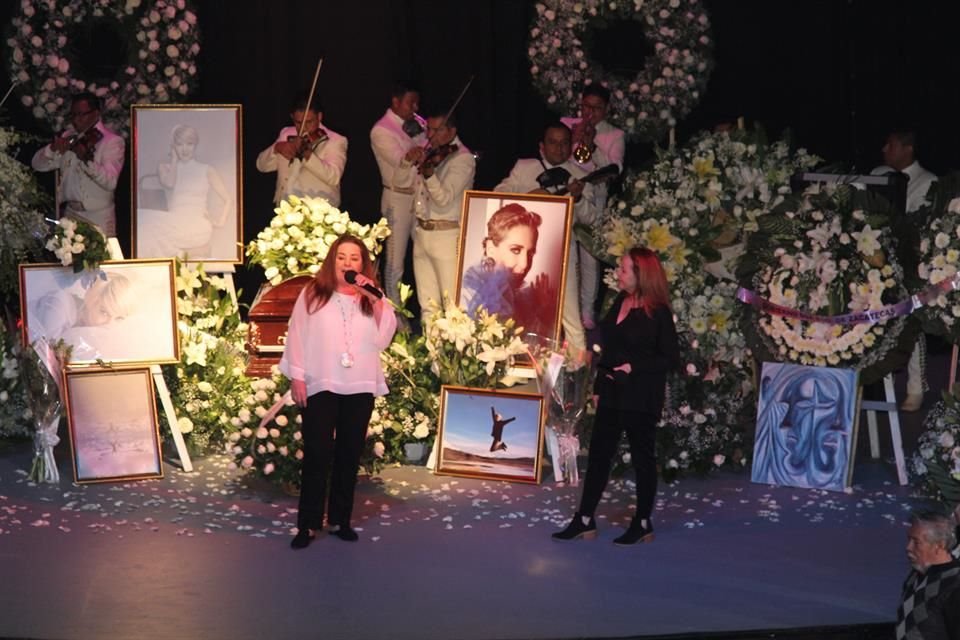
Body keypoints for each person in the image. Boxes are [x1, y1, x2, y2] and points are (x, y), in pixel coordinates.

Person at [553, 247, 680, 546]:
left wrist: (633, 367)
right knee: (598, 456)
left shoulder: (658, 312)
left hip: (640, 395)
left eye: (624, 270)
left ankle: (643, 522)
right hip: (611, 392)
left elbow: (670, 358)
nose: (618, 274)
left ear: (641, 275)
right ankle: (584, 518)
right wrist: (597, 388)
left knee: (642, 459)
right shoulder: (619, 301)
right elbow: (607, 349)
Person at [279, 234, 397, 548]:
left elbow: (384, 339)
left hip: (359, 386)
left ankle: (340, 519)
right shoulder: (314, 293)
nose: (347, 263)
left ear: (363, 264)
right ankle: (307, 524)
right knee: (317, 453)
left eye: (354, 258)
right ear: (333, 260)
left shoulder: (372, 298)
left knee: (348, 454)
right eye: (341, 256)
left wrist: (376, 300)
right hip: (321, 383)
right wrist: (298, 377)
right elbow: (297, 335)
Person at [494, 122, 603, 351]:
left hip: (561, 249)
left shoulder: (581, 176)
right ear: (542, 146)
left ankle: (577, 368)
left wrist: (580, 198)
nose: (559, 148)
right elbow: (499, 194)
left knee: (570, 313)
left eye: (564, 143)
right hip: (523, 251)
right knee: (514, 309)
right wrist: (530, 198)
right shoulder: (524, 167)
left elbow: (592, 218)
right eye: (553, 143)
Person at [871, 128, 937, 413]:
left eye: (891, 144)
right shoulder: (878, 175)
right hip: (877, 267)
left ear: (907, 148)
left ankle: (915, 387)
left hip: (912, 268)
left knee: (912, 325)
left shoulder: (928, 182)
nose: (885, 149)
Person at [392, 111, 475, 323]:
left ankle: (455, 355)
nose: (431, 135)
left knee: (452, 306)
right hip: (421, 233)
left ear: (452, 131)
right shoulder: (431, 153)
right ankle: (433, 353)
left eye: (437, 130)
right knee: (427, 305)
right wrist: (406, 162)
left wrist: (429, 175)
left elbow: (444, 198)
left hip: (446, 235)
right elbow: (400, 184)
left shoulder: (463, 158)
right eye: (429, 129)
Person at [562, 84, 625, 328]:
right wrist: (573, 140)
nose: (590, 112)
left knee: (589, 256)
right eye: (586, 106)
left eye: (597, 108)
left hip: (594, 198)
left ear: (606, 109)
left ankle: (587, 312)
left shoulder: (614, 135)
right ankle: (566, 305)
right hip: (569, 193)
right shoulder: (568, 125)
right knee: (566, 252)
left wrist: (592, 146)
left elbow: (614, 169)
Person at [31, 92, 125, 237]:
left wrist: (86, 161)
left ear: (96, 113)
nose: (76, 120)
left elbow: (110, 181)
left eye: (81, 114)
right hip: (70, 215)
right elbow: (37, 165)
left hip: (99, 216)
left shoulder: (112, 141)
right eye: (73, 115)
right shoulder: (69, 137)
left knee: (102, 258)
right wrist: (52, 149)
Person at [460, 203, 557, 338]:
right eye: (515, 250)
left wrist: (542, 312)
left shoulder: (516, 297)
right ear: (490, 249)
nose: (524, 264)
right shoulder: (471, 295)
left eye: (530, 253)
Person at [137, 124, 233, 259]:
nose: (185, 149)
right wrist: (174, 161)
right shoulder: (165, 167)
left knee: (147, 231)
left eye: (189, 144)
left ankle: (174, 256)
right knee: (140, 219)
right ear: (173, 146)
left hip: (197, 225)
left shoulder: (206, 169)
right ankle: (177, 256)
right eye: (179, 144)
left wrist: (220, 221)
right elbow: (170, 184)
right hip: (173, 222)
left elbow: (228, 199)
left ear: (195, 145)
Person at [370, 82, 426, 303]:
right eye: (410, 102)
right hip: (397, 198)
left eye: (416, 102)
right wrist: (414, 153)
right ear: (396, 102)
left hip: (420, 196)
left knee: (424, 255)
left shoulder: (417, 123)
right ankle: (394, 313)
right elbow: (399, 160)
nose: (415, 107)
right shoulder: (381, 129)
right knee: (395, 261)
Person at [257, 92, 347, 206]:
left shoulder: (335, 140)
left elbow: (333, 177)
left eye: (309, 122)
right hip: (285, 209)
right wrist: (277, 148)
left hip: (319, 210)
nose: (303, 127)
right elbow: (261, 166)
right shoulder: (286, 134)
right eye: (298, 122)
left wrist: (307, 154)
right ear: (292, 117)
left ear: (319, 117)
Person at [895, 510, 960, 639]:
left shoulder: (955, 584)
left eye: (916, 542)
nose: (908, 547)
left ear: (939, 545)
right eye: (909, 540)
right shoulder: (914, 577)